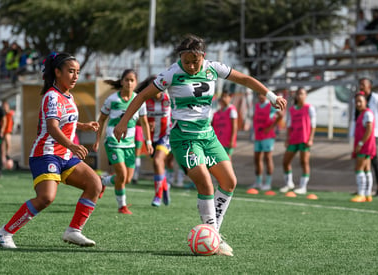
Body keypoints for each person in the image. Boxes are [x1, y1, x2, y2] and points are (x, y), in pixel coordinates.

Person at [113, 34, 287, 256]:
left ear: (203, 56)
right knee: (205, 183)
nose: (191, 66)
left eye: (195, 61)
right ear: (180, 59)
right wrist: (123, 122)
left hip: (208, 136)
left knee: (229, 182)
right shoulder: (172, 73)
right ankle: (213, 235)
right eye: (186, 61)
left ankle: (213, 233)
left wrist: (271, 96)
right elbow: (141, 96)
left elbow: (244, 79)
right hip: (184, 138)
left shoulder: (213, 68)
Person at [0, 52, 102, 249]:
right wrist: (72, 145)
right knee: (46, 198)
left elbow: (66, 120)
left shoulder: (68, 96)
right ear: (57, 72)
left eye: (78, 72)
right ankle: (5, 232)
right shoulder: (52, 96)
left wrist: (83, 126)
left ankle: (73, 231)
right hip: (46, 154)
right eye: (71, 71)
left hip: (65, 156)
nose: (75, 76)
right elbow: (52, 127)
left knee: (95, 184)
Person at [93, 69, 153, 215]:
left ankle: (103, 182)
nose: (129, 83)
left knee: (127, 179)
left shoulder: (140, 100)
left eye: (132, 80)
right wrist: (97, 140)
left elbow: (144, 123)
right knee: (122, 175)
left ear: (136, 82)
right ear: (121, 82)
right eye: (126, 80)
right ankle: (122, 206)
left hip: (130, 145)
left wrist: (148, 141)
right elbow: (101, 120)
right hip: (113, 142)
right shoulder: (112, 100)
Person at [137, 75, 172, 207]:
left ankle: (157, 195)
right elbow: (136, 121)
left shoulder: (168, 98)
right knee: (158, 166)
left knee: (158, 161)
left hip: (166, 136)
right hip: (151, 139)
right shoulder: (145, 101)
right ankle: (165, 187)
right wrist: (144, 125)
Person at [349, 78, 378, 196]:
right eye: (360, 84)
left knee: (371, 161)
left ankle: (377, 187)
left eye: (363, 85)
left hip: (369, 134)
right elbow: (355, 119)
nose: (361, 86)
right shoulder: (358, 100)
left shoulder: (375, 99)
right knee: (366, 164)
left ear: (369, 86)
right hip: (361, 135)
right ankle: (365, 190)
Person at [280, 87, 316, 195]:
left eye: (302, 94)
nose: (300, 96)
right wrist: (287, 139)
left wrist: (311, 139)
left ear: (306, 96)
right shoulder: (292, 109)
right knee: (285, 161)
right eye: (298, 94)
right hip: (293, 139)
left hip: (304, 139)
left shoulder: (309, 108)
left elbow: (313, 125)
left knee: (304, 162)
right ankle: (289, 183)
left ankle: (303, 186)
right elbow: (289, 126)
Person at [250, 92, 283, 191]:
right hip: (258, 136)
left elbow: (280, 115)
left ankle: (268, 183)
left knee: (267, 158)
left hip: (268, 136)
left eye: (262, 94)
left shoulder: (270, 106)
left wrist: (271, 127)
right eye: (259, 94)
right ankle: (258, 182)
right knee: (257, 158)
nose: (260, 96)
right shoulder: (256, 106)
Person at [350, 92, 376, 202]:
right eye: (356, 102)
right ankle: (368, 194)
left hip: (365, 146)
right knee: (367, 169)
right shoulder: (361, 114)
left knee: (358, 168)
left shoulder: (367, 114)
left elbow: (369, 129)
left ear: (366, 102)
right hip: (366, 145)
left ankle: (361, 194)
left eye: (360, 101)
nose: (358, 104)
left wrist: (360, 143)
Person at [212, 90, 238, 160]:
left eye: (225, 97)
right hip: (219, 141)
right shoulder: (217, 112)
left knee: (226, 160)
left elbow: (234, 126)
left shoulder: (232, 110)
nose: (223, 99)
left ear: (230, 97)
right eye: (222, 97)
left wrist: (232, 140)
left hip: (227, 142)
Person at [1, 99, 14, 167]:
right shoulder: (2, 114)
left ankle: (7, 154)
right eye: (4, 106)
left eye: (6, 106)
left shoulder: (10, 113)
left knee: (8, 142)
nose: (5, 107)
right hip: (2, 132)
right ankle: (2, 158)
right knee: (1, 144)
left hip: (8, 131)